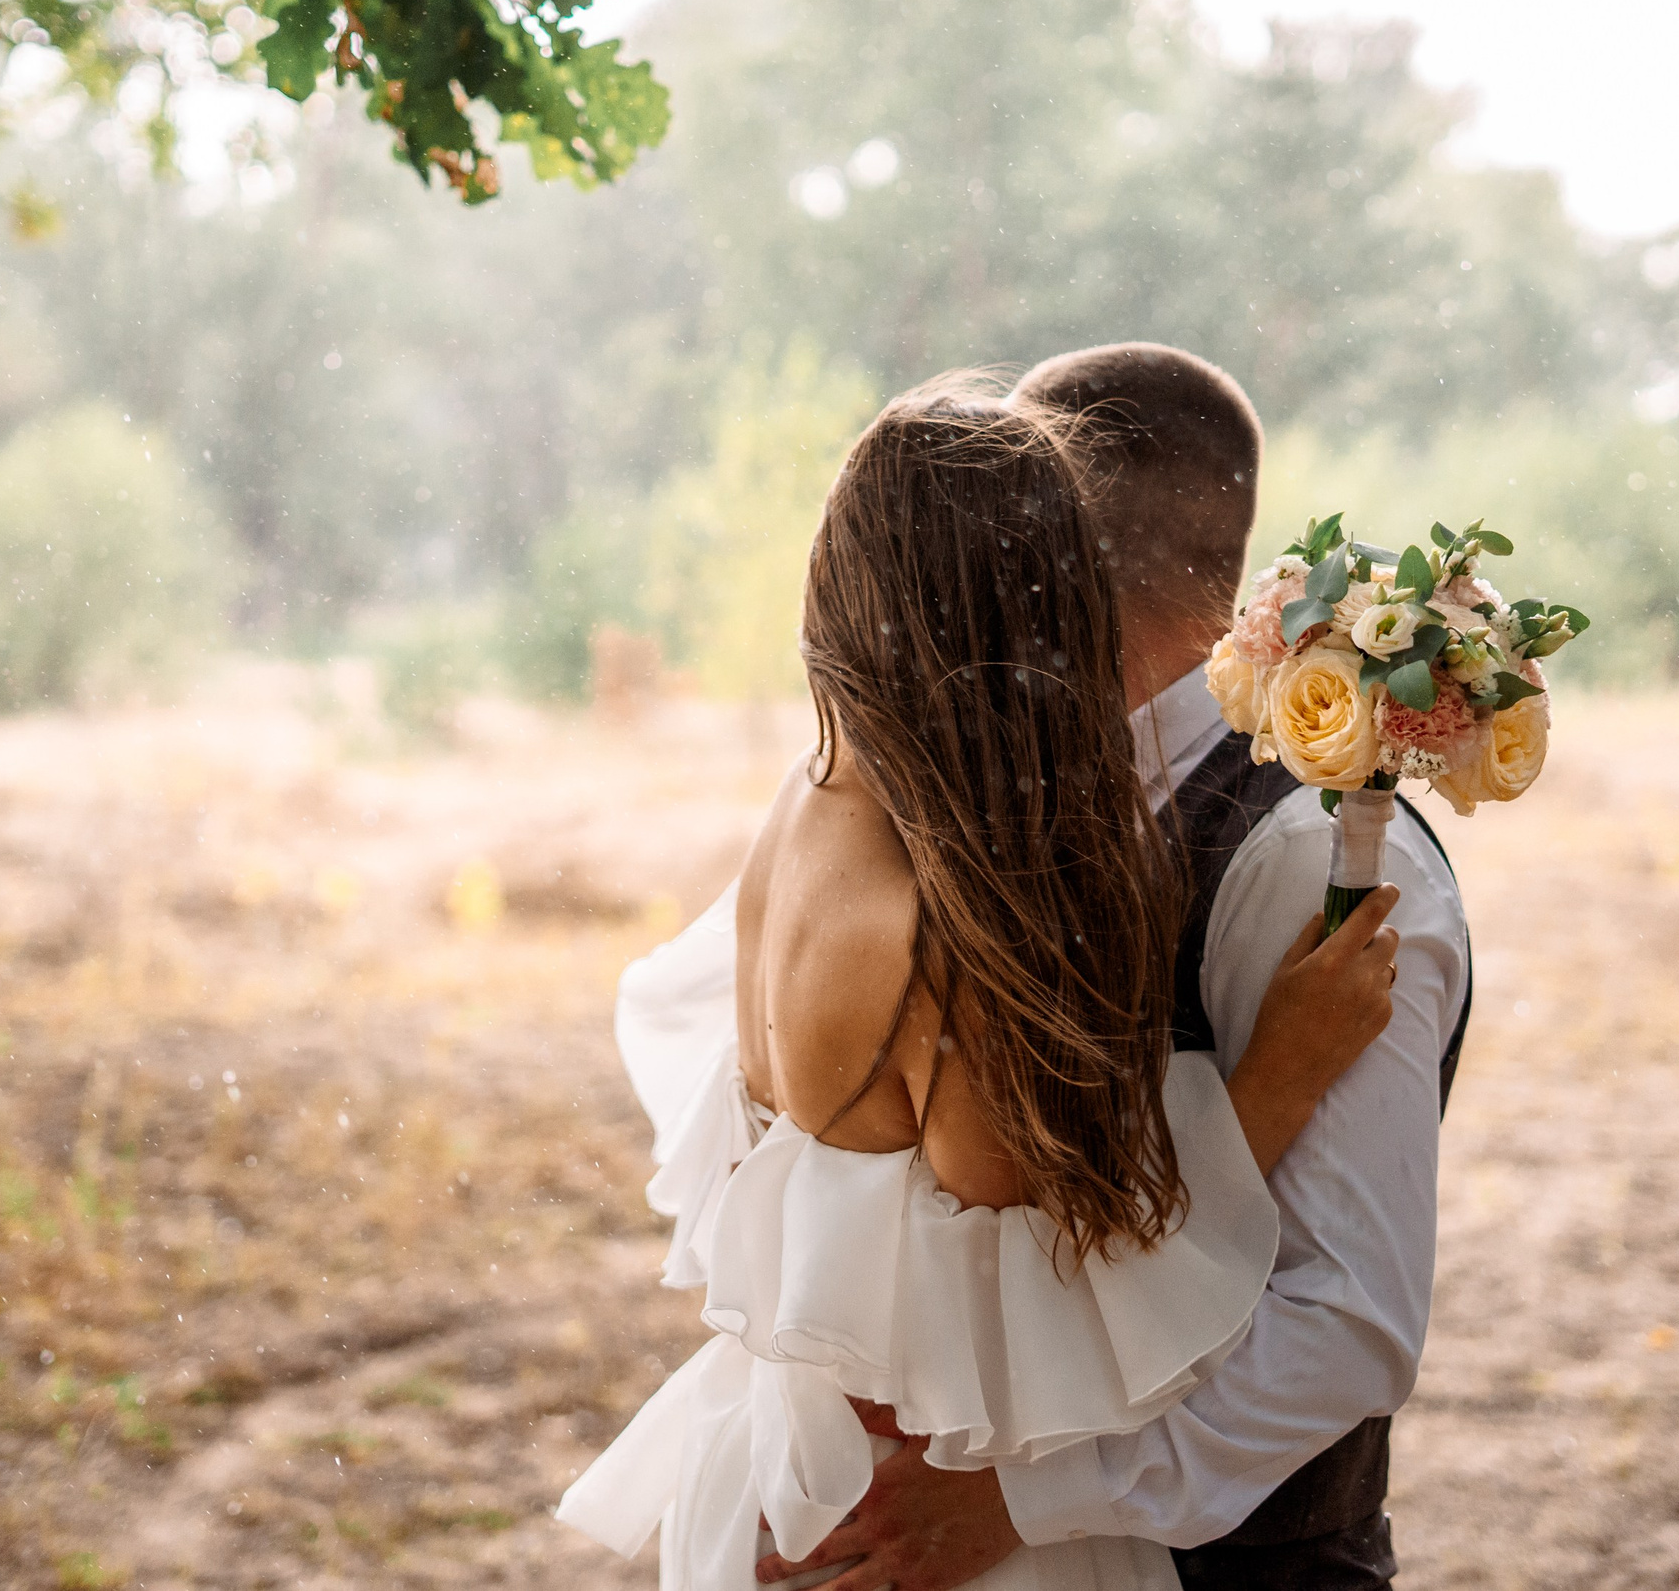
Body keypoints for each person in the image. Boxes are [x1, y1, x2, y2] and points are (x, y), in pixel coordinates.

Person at [556, 380, 1408, 1590]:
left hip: (787, 1469)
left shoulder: (809, 807)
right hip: (938, 1522)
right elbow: (1079, 1286)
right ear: (1027, 621)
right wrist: (1285, 1067)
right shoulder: (935, 933)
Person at [755, 344, 1473, 1591]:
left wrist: (1018, 1500)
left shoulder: (1306, 855)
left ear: (1051, 556)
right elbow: (1028, 1226)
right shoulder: (949, 831)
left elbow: (1343, 1324)